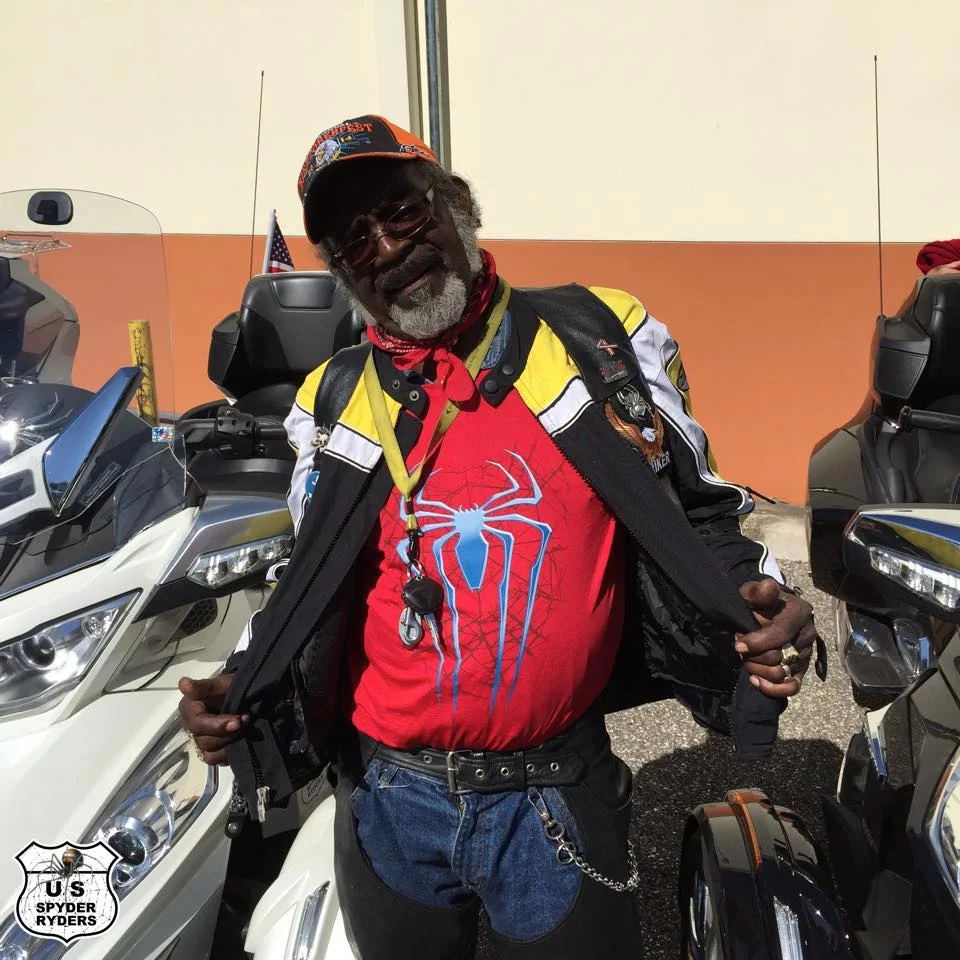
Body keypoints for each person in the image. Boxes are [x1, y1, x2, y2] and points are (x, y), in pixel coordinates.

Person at [179, 115, 818, 960]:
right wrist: (243, 678)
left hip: (555, 790)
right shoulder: (328, 401)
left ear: (454, 201)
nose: (389, 248)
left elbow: (697, 507)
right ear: (342, 273)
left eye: (403, 211)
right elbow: (310, 579)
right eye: (355, 241)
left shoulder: (603, 337)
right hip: (388, 799)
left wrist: (759, 592)